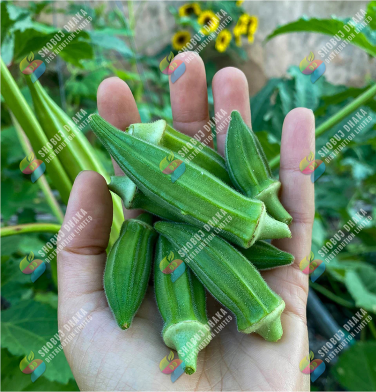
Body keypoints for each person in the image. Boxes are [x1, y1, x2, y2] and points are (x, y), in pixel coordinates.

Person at [57, 52, 314, 391]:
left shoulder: (175, 224)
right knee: (187, 222)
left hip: (225, 217)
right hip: (223, 219)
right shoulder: (173, 226)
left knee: (188, 221)